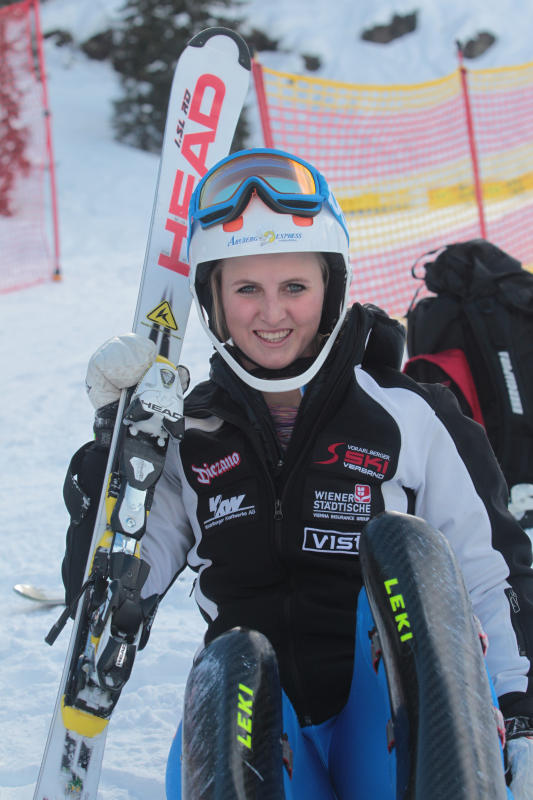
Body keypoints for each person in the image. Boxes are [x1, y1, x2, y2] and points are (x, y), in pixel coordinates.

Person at [65, 148, 533, 798]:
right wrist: (115, 452)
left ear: (331, 288)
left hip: (388, 714)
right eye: (246, 289)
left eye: (294, 287)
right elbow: (112, 582)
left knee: (404, 552)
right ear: (213, 299)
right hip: (256, 717)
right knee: (232, 665)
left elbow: (489, 575)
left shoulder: (412, 415)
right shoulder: (186, 438)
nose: (272, 314)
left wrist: (520, 714)